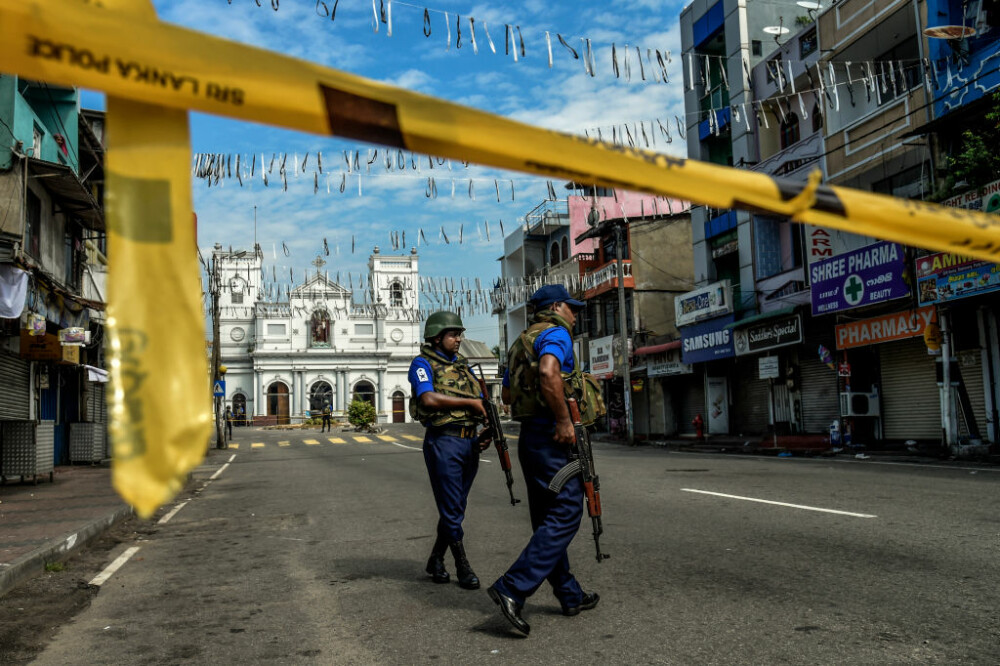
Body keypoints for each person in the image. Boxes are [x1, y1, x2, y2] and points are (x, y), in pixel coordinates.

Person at [488, 284, 599, 636]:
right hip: (555, 436)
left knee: (545, 519)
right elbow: (550, 372)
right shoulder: (556, 334)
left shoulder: (521, 343)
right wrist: (564, 420)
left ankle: (569, 594)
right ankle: (512, 587)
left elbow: (507, 393)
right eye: (572, 307)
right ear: (555, 307)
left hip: (530, 439)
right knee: (566, 514)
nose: (576, 313)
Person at [407, 310, 489, 590]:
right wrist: (470, 405)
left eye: (459, 334)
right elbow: (428, 398)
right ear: (437, 337)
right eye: (453, 335)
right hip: (444, 442)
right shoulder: (422, 363)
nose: (458, 339)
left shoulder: (465, 366)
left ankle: (435, 560)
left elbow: (480, 401)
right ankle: (462, 565)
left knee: (456, 507)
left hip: (469, 442)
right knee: (452, 508)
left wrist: (483, 430)